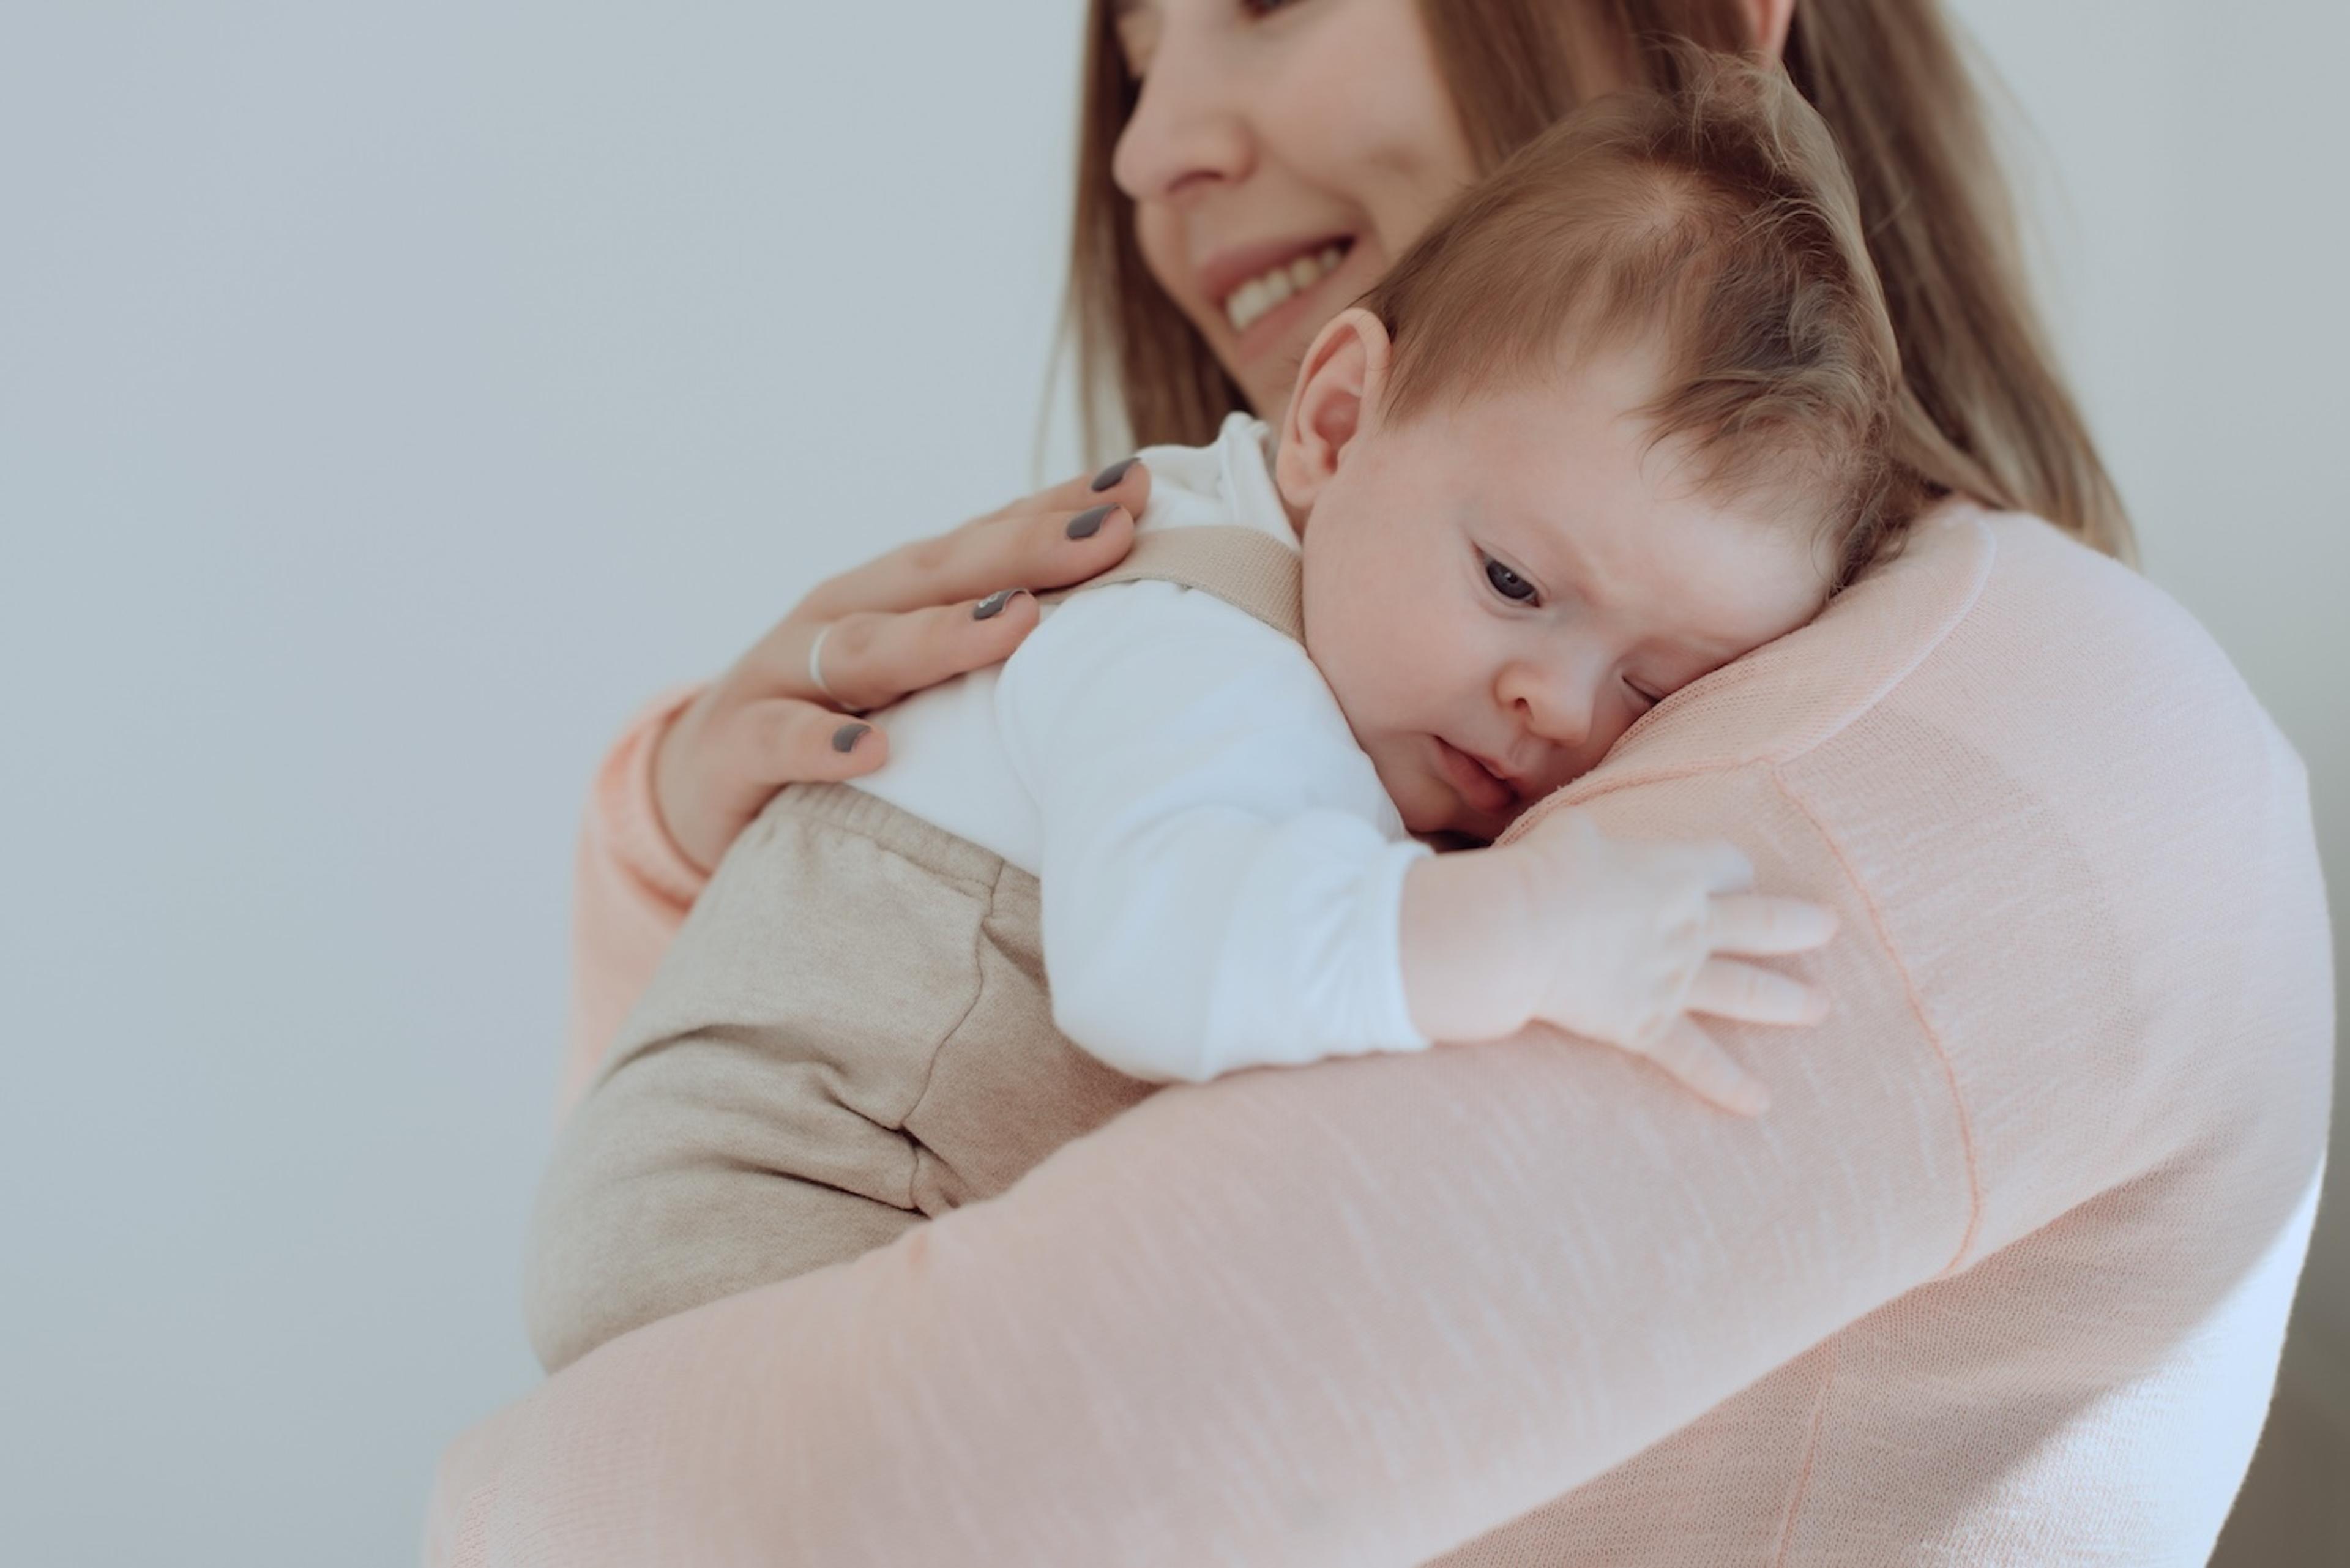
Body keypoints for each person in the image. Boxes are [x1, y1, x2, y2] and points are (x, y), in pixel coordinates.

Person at [428, 2, 2333, 1562]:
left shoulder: (1989, 720)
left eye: (1257, 3)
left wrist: (500, 1491)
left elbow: (756, 1510)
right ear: (1336, 421)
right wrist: (689, 821)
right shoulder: (1263, 650)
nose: (1145, 146)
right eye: (1138, 55)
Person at [523, 62, 1889, 1373]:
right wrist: (1533, 934)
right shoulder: (1192, 635)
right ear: (1338, 422)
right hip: (777, 1216)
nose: (1559, 703)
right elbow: (1156, 959)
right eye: (1516, 583)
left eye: (1653, 688)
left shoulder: (1343, 646)